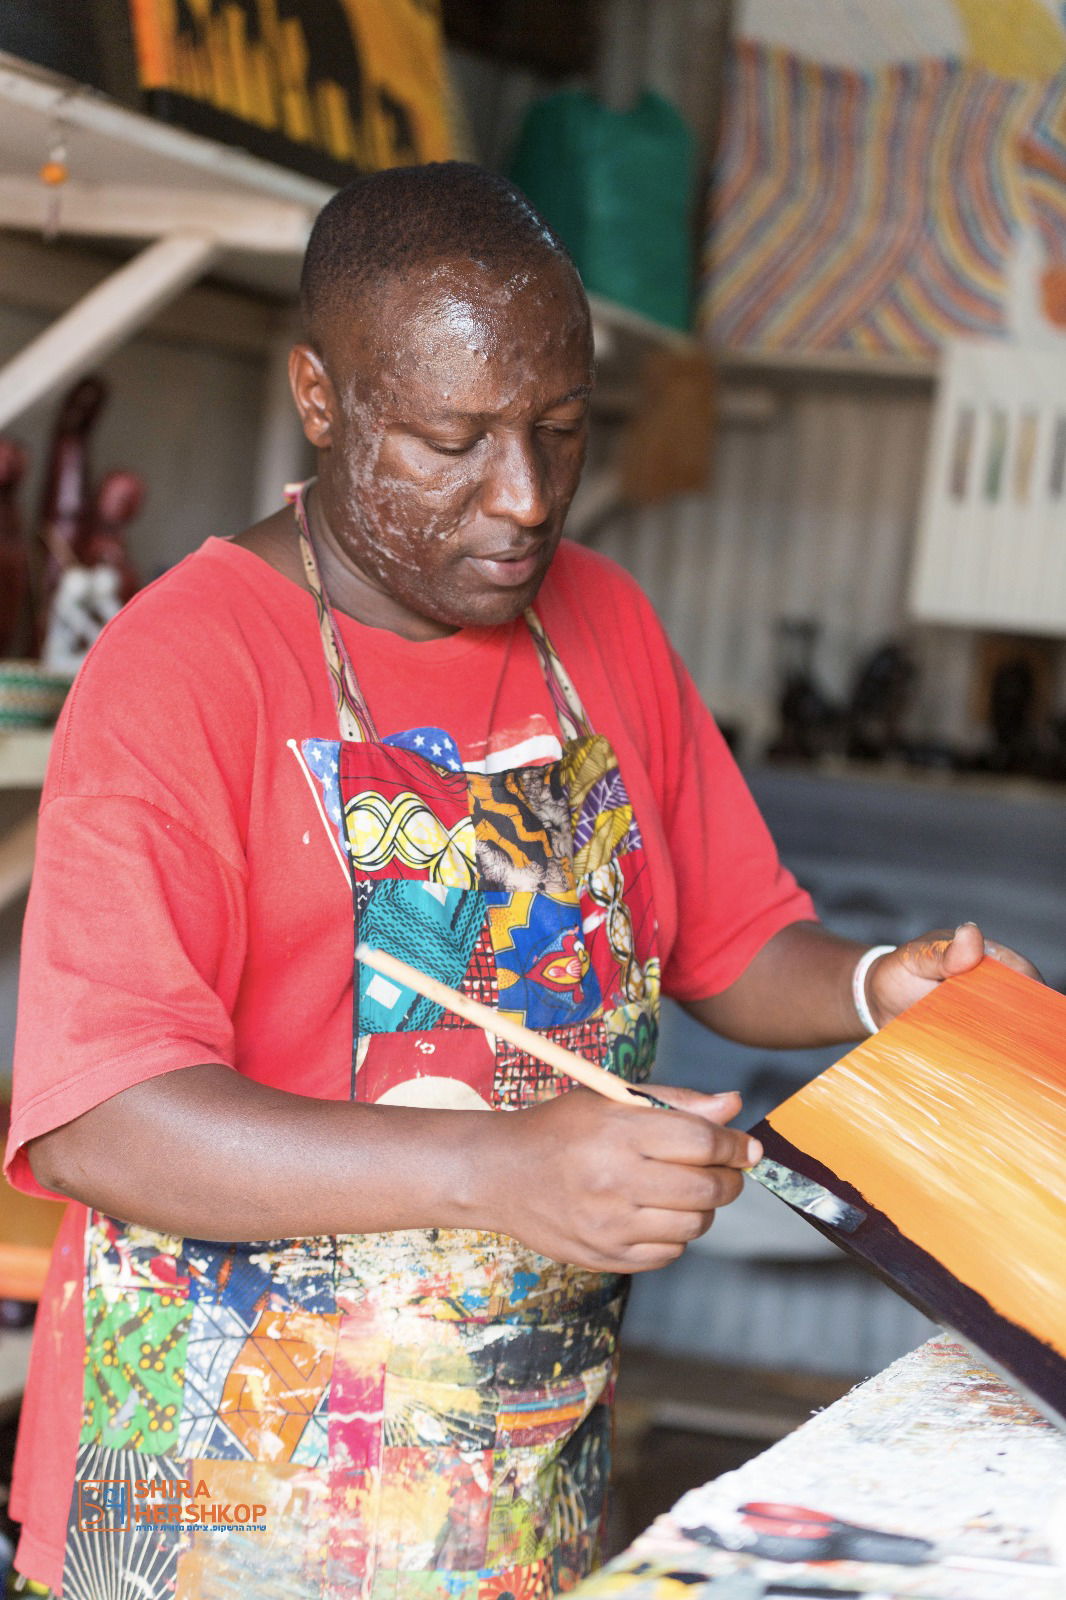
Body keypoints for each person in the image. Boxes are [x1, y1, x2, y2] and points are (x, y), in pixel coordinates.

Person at [4, 163, 1036, 1600]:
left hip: (501, 1488)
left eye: (559, 432)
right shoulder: (183, 669)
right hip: (208, 1504)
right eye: (455, 439)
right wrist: (504, 1168)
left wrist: (875, 987)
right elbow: (100, 1126)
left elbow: (731, 941)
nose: (525, 498)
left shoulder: (602, 620)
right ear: (320, 395)